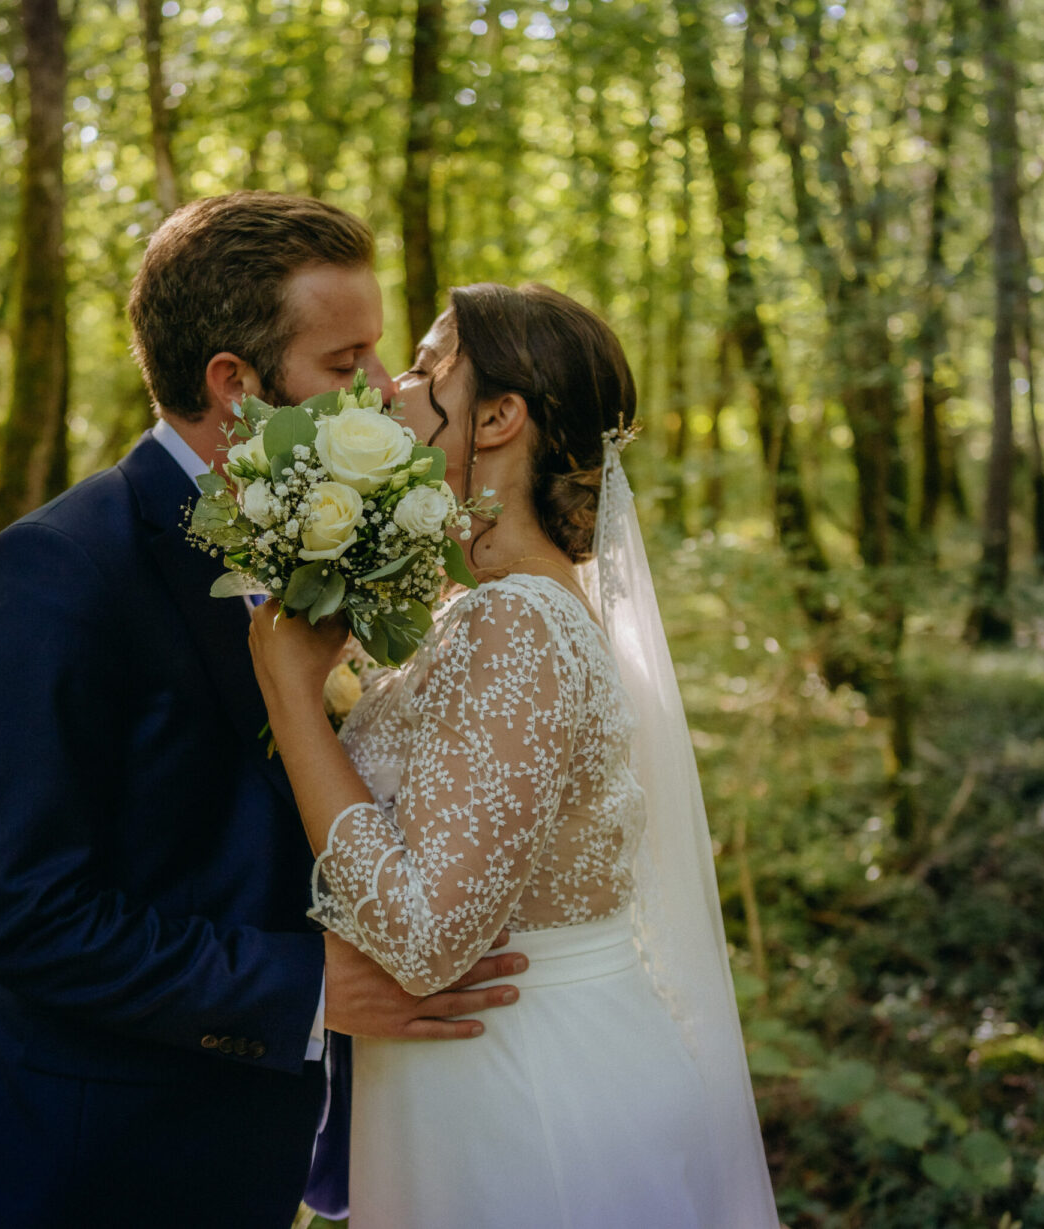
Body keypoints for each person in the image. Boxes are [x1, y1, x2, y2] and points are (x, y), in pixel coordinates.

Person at [0, 194, 526, 1229]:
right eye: (345, 364)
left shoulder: (335, 542)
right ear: (235, 384)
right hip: (85, 1166)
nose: (383, 390)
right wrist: (306, 990)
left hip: (252, 1158)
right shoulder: (59, 571)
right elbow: (28, 914)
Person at [248, 282, 781, 1227]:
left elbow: (421, 938)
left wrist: (291, 697)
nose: (391, 389)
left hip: (524, 1093)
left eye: (423, 368)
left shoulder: (515, 624)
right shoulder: (484, 613)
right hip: (474, 1075)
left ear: (497, 416)